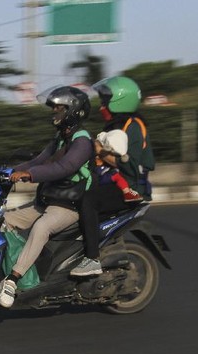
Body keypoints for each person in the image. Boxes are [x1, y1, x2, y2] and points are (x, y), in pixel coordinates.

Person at [0, 85, 94, 308]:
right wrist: (7, 172)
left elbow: (64, 167)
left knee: (41, 228)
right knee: (4, 220)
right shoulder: (61, 137)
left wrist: (29, 175)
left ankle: (13, 279)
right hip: (49, 200)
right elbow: (37, 162)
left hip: (70, 205)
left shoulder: (82, 141)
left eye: (59, 108)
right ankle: (27, 265)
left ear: (73, 111)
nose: (54, 112)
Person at [70, 76, 155, 277]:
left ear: (119, 101)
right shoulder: (115, 125)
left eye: (105, 101)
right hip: (111, 182)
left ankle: (91, 259)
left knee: (88, 200)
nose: (102, 106)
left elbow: (131, 165)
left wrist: (99, 151)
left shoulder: (133, 126)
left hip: (130, 188)